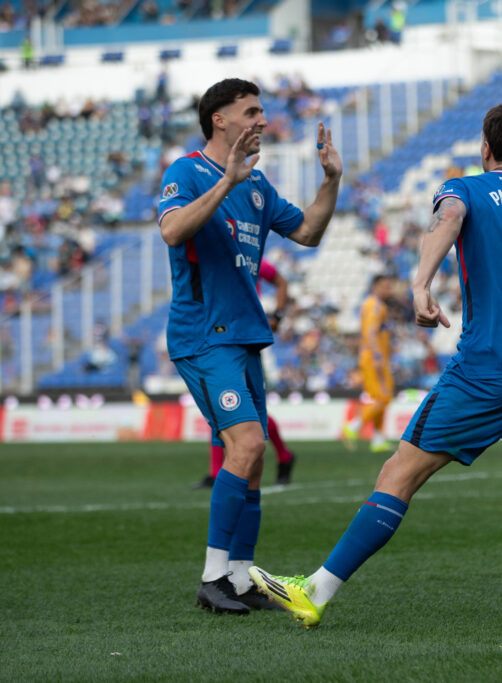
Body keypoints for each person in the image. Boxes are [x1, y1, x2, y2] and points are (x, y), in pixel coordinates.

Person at [248, 101, 502, 627]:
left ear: (486, 147)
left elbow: (450, 217)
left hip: (488, 367)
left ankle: (316, 592)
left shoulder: (465, 188)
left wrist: (420, 283)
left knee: (399, 473)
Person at [158, 78, 341, 615]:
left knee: (253, 460)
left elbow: (307, 232)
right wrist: (225, 182)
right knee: (247, 447)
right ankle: (213, 576)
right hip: (204, 335)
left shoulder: (258, 187)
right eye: (252, 111)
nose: (263, 120)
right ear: (220, 119)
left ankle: (239, 575)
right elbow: (172, 231)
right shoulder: (186, 172)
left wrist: (331, 180)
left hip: (245, 336)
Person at [193, 259, 298, 489]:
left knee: (243, 408)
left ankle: (284, 456)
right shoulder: (215, 257)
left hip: (247, 338)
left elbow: (281, 282)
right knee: (220, 402)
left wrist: (277, 317)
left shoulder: (251, 257)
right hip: (219, 337)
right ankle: (217, 472)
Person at [342, 274, 397, 453]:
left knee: (379, 397)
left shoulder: (372, 305)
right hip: (374, 357)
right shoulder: (375, 306)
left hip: (374, 356)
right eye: (386, 286)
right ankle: (353, 425)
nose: (389, 290)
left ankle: (378, 439)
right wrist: (378, 355)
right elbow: (371, 332)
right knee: (384, 396)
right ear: (376, 287)